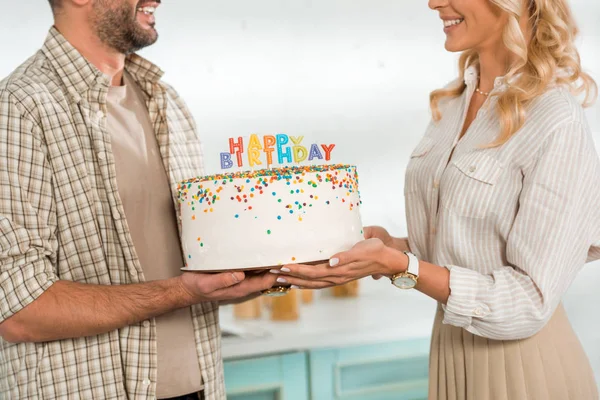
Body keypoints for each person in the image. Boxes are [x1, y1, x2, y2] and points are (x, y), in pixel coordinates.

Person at [271, 0, 600, 398]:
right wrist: (392, 248)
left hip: (523, 373)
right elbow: (472, 246)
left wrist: (400, 265)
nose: (433, 3)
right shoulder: (453, 104)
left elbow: (528, 301)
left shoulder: (555, 117)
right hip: (448, 356)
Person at [0, 1, 278, 399]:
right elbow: (19, 312)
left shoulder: (167, 102)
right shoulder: (17, 108)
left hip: (199, 389)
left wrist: (260, 272)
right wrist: (184, 292)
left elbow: (200, 267)